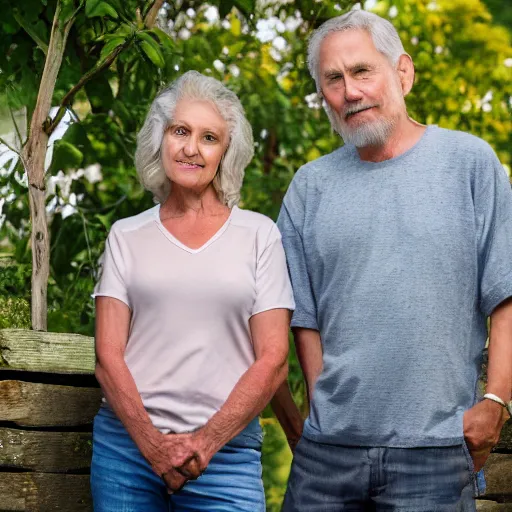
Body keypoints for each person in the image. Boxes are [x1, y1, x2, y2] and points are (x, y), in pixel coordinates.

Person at [275, 10, 512, 511]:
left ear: (402, 72)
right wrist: (322, 408)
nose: (350, 92)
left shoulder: (470, 163)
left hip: (436, 451)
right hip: (327, 457)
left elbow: (505, 295)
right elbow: (303, 318)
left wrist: (495, 402)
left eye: (362, 71)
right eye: (333, 80)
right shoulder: (309, 187)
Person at [90, 70, 295, 511]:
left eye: (208, 138)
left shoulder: (260, 235)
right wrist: (152, 445)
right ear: (159, 139)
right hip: (126, 451)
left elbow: (274, 357)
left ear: (226, 152)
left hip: (226, 455)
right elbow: (108, 355)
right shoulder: (126, 236)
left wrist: (206, 442)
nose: (190, 148)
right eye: (179, 131)